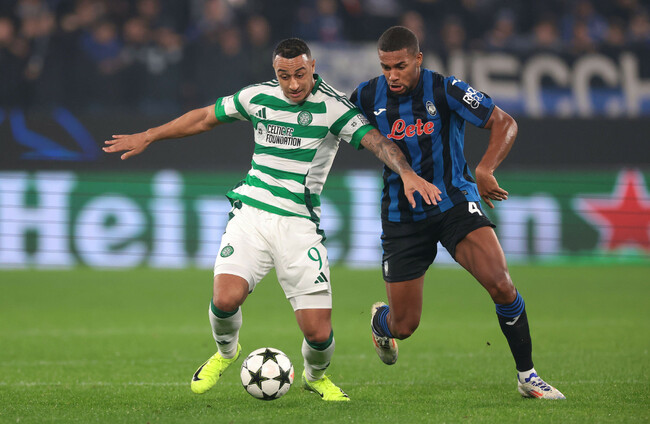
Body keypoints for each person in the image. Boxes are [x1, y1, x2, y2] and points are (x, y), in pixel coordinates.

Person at [103, 37, 440, 402]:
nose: (293, 84)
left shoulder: (334, 107)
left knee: (318, 334)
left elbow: (378, 142)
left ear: (312, 67)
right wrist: (149, 135)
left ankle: (314, 377)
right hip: (252, 215)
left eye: (300, 74)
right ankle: (226, 353)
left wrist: (407, 173)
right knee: (225, 299)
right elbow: (204, 117)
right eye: (284, 75)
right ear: (275, 73)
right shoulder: (256, 97)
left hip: (299, 226)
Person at [349, 26, 565, 400]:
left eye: (400, 66)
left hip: (454, 203)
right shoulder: (367, 95)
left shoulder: (446, 89)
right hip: (403, 215)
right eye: (385, 67)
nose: (392, 75)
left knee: (501, 283)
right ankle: (381, 322)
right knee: (404, 326)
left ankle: (527, 376)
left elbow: (504, 122)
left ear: (418, 59)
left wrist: (485, 168)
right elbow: (335, 127)